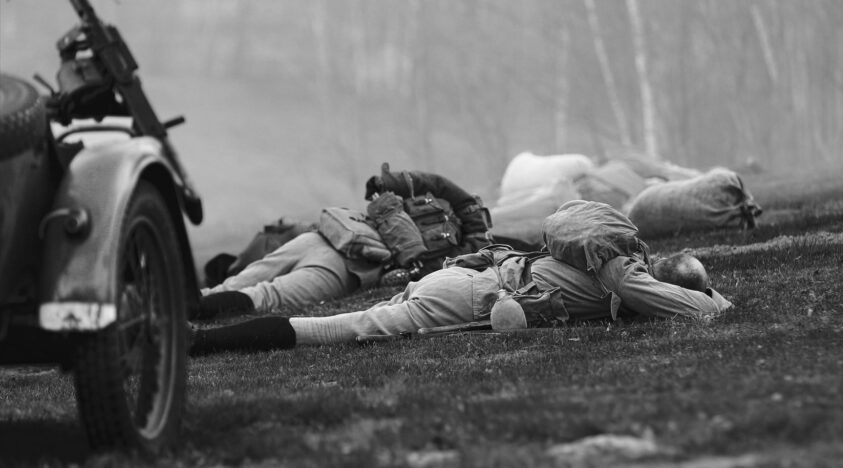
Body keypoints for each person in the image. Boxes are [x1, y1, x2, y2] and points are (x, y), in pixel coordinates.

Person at [189, 202, 732, 355]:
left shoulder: (605, 258)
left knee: (301, 306)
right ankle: (196, 344)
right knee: (336, 329)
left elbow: (667, 295)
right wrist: (715, 303)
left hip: (466, 279)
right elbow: (688, 306)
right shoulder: (623, 273)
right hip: (472, 297)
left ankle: (194, 331)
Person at [194, 167, 494, 320]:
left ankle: (183, 312)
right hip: (328, 237)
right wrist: (390, 183)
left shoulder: (462, 251)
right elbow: (436, 184)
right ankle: (179, 307)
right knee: (238, 283)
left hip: (352, 267)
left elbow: (451, 264)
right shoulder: (432, 198)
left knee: (264, 296)